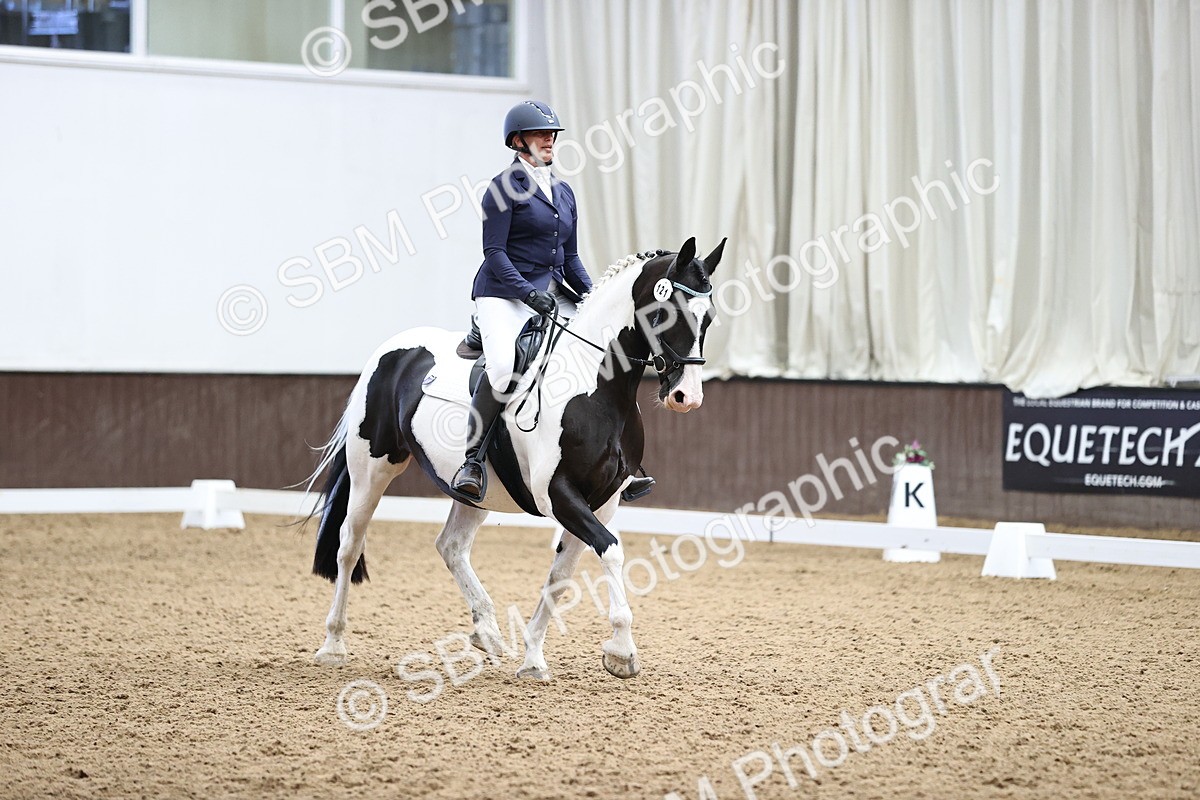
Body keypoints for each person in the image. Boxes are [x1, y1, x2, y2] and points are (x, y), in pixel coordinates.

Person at [450, 100, 654, 504]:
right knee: (504, 367)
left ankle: (622, 462)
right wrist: (527, 294)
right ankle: (471, 460)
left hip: (553, 291)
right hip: (503, 293)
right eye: (542, 134)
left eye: (553, 134)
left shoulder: (562, 191)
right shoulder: (502, 187)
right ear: (518, 141)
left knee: (602, 358)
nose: (550, 140)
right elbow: (494, 252)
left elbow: (571, 256)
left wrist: (595, 298)